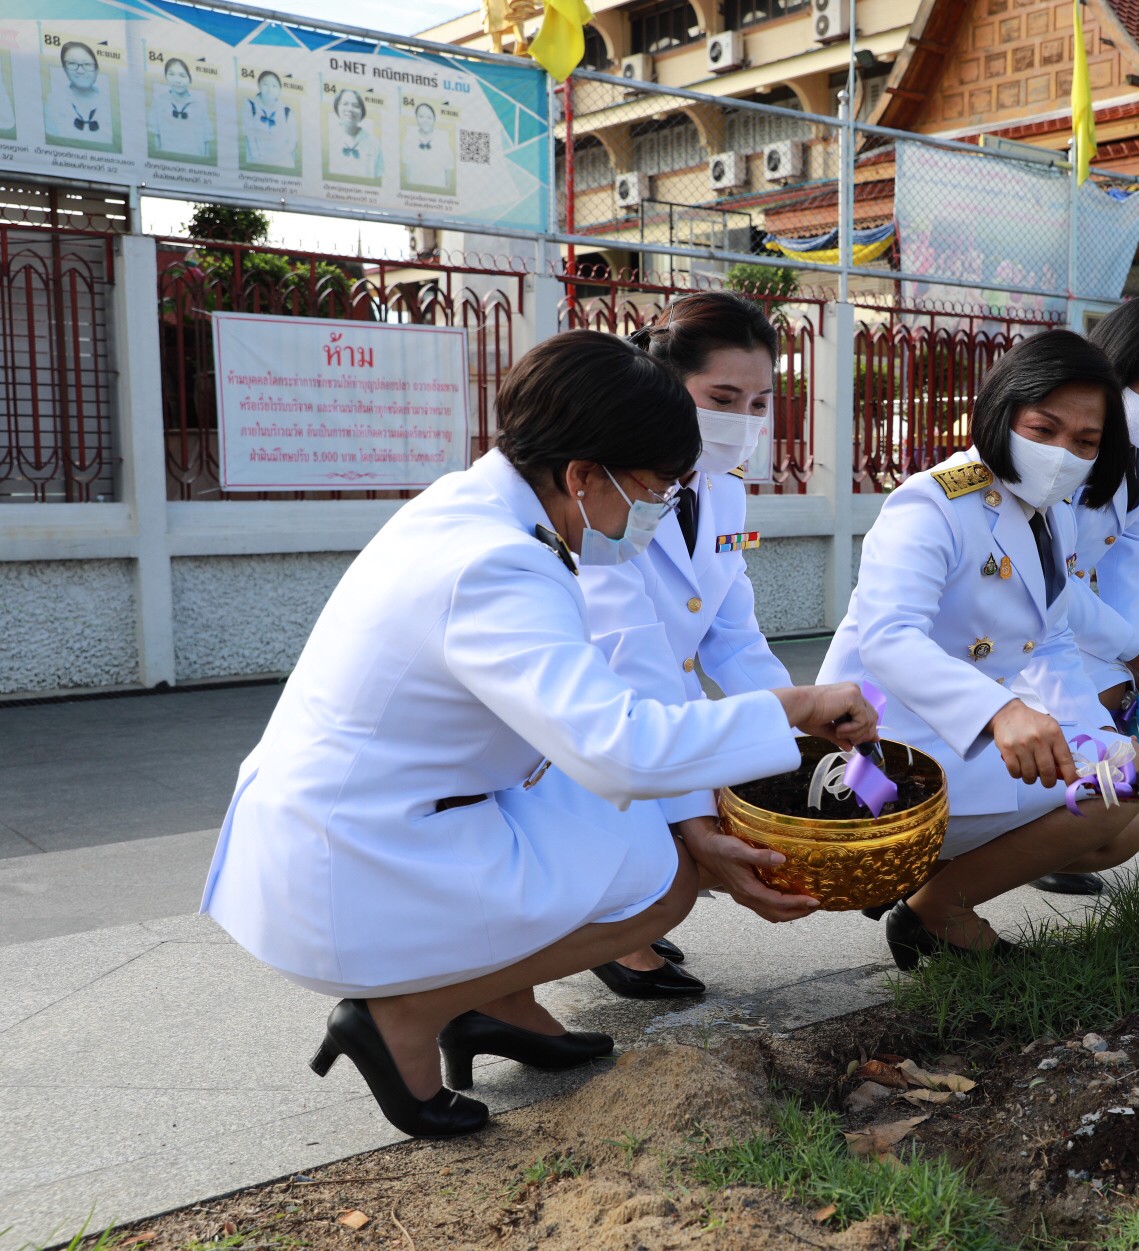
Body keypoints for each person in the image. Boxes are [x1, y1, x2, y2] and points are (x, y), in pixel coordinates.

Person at [200, 331, 877, 1137]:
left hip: (380, 809)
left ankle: (496, 1002)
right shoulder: (498, 562)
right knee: (663, 876)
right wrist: (795, 714)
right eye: (657, 490)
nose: (662, 511)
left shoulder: (475, 508)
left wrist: (769, 737)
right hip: (352, 857)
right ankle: (407, 1017)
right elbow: (621, 745)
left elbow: (624, 705)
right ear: (583, 475)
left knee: (651, 834)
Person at [818, 330, 1139, 967]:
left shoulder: (1046, 509)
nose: (1063, 453)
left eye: (1086, 442)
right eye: (1044, 428)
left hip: (950, 741)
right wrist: (999, 713)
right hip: (875, 754)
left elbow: (1054, 621)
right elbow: (889, 638)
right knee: (1120, 780)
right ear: (1002, 412)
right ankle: (935, 912)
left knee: (1120, 813)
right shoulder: (931, 504)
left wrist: (1104, 707)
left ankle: (925, 882)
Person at [574, 292, 795, 1000]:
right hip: (593, 714)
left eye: (759, 402)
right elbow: (633, 659)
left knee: (717, 804)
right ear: (666, 387)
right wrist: (693, 812)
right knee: (680, 840)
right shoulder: (610, 489)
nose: (743, 420)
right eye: (722, 396)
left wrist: (799, 728)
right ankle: (611, 928)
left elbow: (734, 636)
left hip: (657, 707)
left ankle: (629, 905)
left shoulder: (723, 492)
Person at [1026, 292, 1139, 897]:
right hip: (1013, 633)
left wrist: (1128, 656)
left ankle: (1041, 841)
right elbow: (1046, 578)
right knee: (1119, 779)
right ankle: (992, 849)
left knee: (1124, 794)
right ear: (1118, 367)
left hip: (1062, 624)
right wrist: (1129, 649)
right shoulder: (1067, 448)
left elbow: (1130, 546)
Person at [44, 41, 113, 148]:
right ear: (64, 69)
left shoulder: (111, 103)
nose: (80, 71)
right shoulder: (54, 100)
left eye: (87, 64)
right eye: (72, 64)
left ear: (97, 70)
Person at [149, 58, 212, 161]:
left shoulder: (200, 105)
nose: (177, 80)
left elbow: (207, 140)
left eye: (182, 76)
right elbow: (156, 136)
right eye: (171, 74)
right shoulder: (159, 101)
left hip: (195, 163)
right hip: (167, 164)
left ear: (190, 78)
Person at [242, 71, 297, 170]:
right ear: (259, 86)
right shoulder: (250, 105)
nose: (270, 89)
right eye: (265, 84)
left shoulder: (287, 111)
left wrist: (275, 158)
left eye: (274, 86)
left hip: (282, 163)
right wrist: (258, 158)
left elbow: (291, 142)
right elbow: (249, 135)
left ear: (280, 90)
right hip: (257, 162)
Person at [328, 88, 382, 181]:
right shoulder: (328, 137)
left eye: (356, 106)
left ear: (362, 111)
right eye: (345, 104)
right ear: (337, 107)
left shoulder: (374, 143)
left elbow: (380, 175)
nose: (350, 109)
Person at [401, 102, 453, 190]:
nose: (425, 121)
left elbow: (448, 167)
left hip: (437, 188)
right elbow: (406, 166)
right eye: (421, 116)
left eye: (429, 117)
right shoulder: (409, 137)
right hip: (414, 188)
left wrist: (446, 189)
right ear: (416, 118)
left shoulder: (442, 139)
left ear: (434, 119)